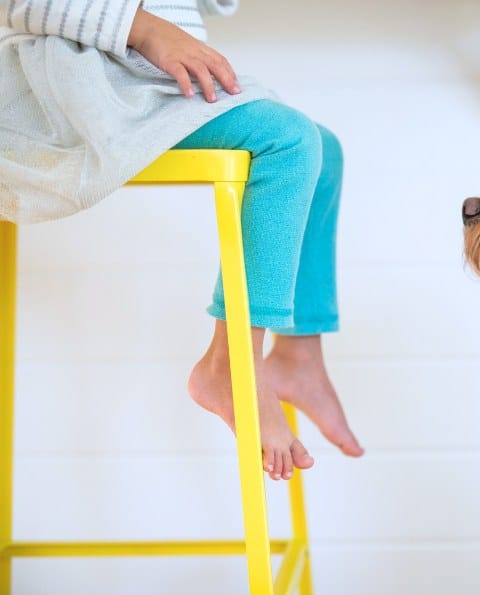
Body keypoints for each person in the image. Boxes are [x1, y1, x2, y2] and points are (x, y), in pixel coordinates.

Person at [0, 0, 364, 480]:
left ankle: (298, 357)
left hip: (151, 79)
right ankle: (230, 364)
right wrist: (145, 29)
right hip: (82, 81)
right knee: (290, 143)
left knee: (323, 150)